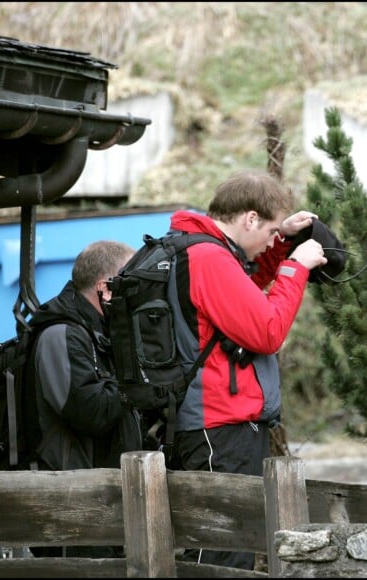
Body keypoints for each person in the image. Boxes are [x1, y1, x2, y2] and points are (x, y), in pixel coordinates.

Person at [166, 170, 327, 570]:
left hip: (218, 424)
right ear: (249, 219)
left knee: (228, 544)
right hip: (218, 426)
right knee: (222, 550)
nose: (273, 241)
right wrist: (295, 266)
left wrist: (283, 241)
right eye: (271, 230)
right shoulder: (209, 258)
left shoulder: (203, 250)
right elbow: (267, 330)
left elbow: (244, 291)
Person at [26, 240, 142, 558]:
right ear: (105, 287)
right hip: (74, 505)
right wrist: (132, 380)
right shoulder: (60, 334)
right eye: (130, 283)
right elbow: (89, 411)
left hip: (104, 497)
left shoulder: (99, 332)